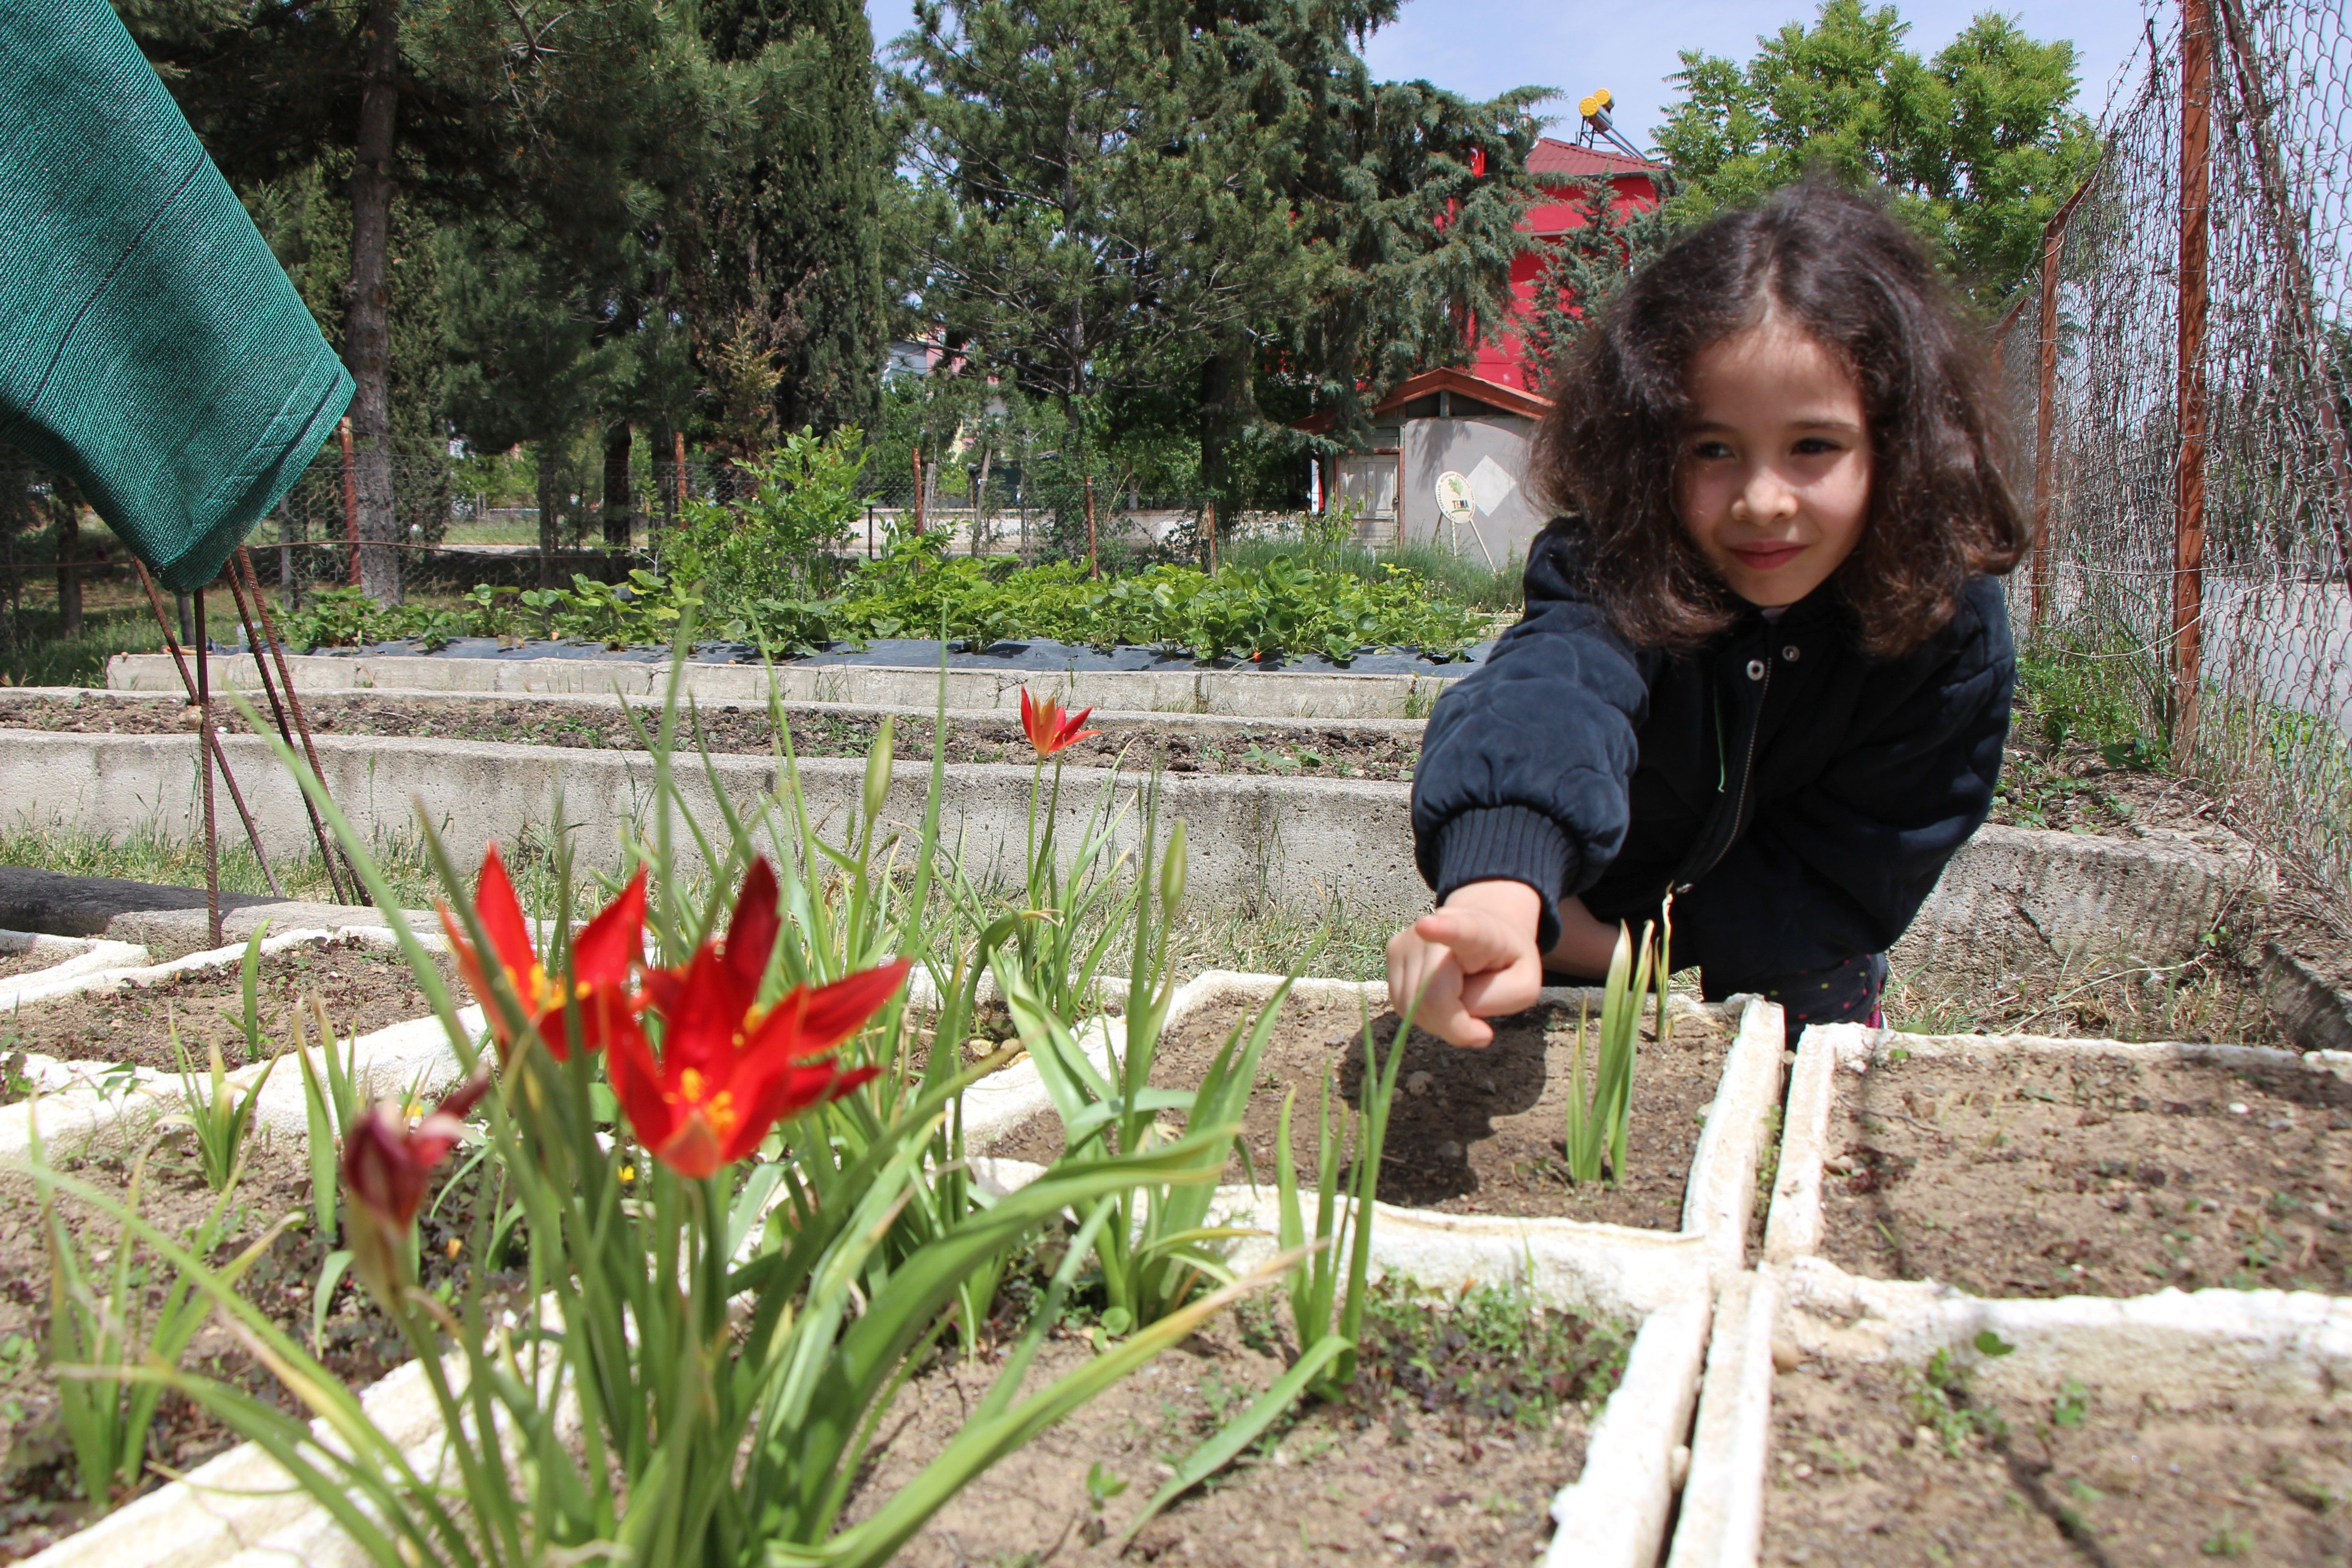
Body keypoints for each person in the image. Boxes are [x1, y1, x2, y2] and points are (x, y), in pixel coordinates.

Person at [1388, 182, 2024, 1048]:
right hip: (1571, 906)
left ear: (1901, 444)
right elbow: (1551, 693)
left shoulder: (1943, 623)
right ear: (1647, 446)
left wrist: (1650, 961)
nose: (1764, 501)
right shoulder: (1621, 564)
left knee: (1793, 1076)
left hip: (1794, 934)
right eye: (1713, 450)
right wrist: (1503, 881)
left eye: (1814, 447)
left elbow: (1869, 851)